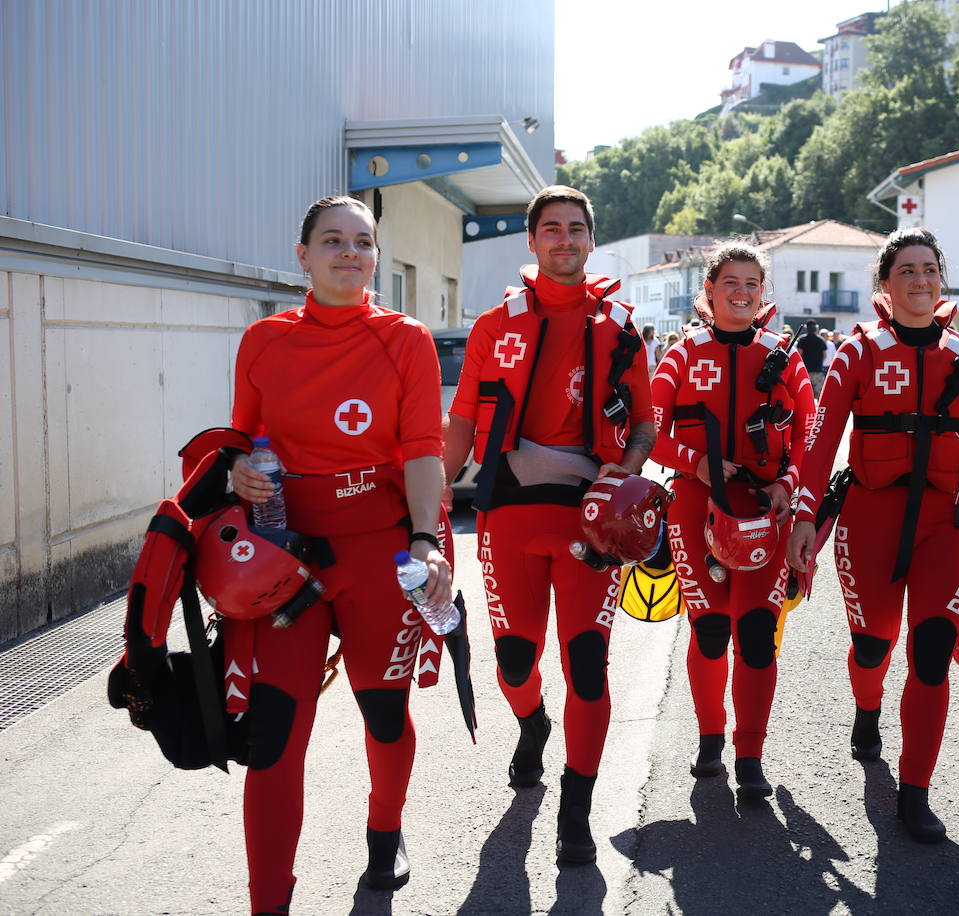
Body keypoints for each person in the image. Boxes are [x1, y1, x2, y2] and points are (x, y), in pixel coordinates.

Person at [229, 195, 453, 913]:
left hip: (379, 560)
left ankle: (384, 835)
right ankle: (269, 901)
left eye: (363, 241)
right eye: (333, 240)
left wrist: (426, 540)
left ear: (376, 256)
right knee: (273, 740)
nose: (349, 253)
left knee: (383, 717)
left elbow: (422, 449)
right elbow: (239, 443)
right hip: (286, 566)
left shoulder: (406, 338)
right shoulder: (264, 340)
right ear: (303, 254)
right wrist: (238, 473)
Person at [443, 185, 654, 865]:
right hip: (507, 512)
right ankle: (533, 723)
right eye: (552, 229)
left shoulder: (622, 327)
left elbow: (645, 423)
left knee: (588, 667)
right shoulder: (493, 326)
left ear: (592, 241)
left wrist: (621, 475)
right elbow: (463, 424)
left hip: (591, 524)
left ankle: (576, 804)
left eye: (577, 229)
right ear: (531, 243)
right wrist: (428, 501)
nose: (565, 239)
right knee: (513, 660)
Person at [787, 227, 959, 843]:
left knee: (931, 653)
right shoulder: (856, 355)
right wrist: (804, 519)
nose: (920, 280)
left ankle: (915, 792)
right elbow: (820, 441)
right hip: (869, 522)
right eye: (906, 270)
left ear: (942, 279)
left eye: (929, 269)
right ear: (885, 285)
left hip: (949, 526)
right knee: (872, 649)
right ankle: (867, 710)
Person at [649, 243, 814, 799]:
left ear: (763, 294)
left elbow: (812, 436)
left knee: (758, 635)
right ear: (709, 292)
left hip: (767, 510)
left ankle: (751, 754)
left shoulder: (785, 355)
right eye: (730, 282)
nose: (741, 291)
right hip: (696, 506)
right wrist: (694, 462)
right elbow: (647, 431)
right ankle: (710, 739)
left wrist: (786, 487)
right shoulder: (681, 354)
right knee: (712, 631)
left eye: (752, 283)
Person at [795, 319, 828, 394]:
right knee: (819, 394)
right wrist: (819, 363)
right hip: (818, 371)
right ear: (816, 328)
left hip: (805, 370)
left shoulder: (802, 340)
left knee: (805, 393)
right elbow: (825, 355)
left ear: (806, 329)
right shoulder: (821, 340)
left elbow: (799, 354)